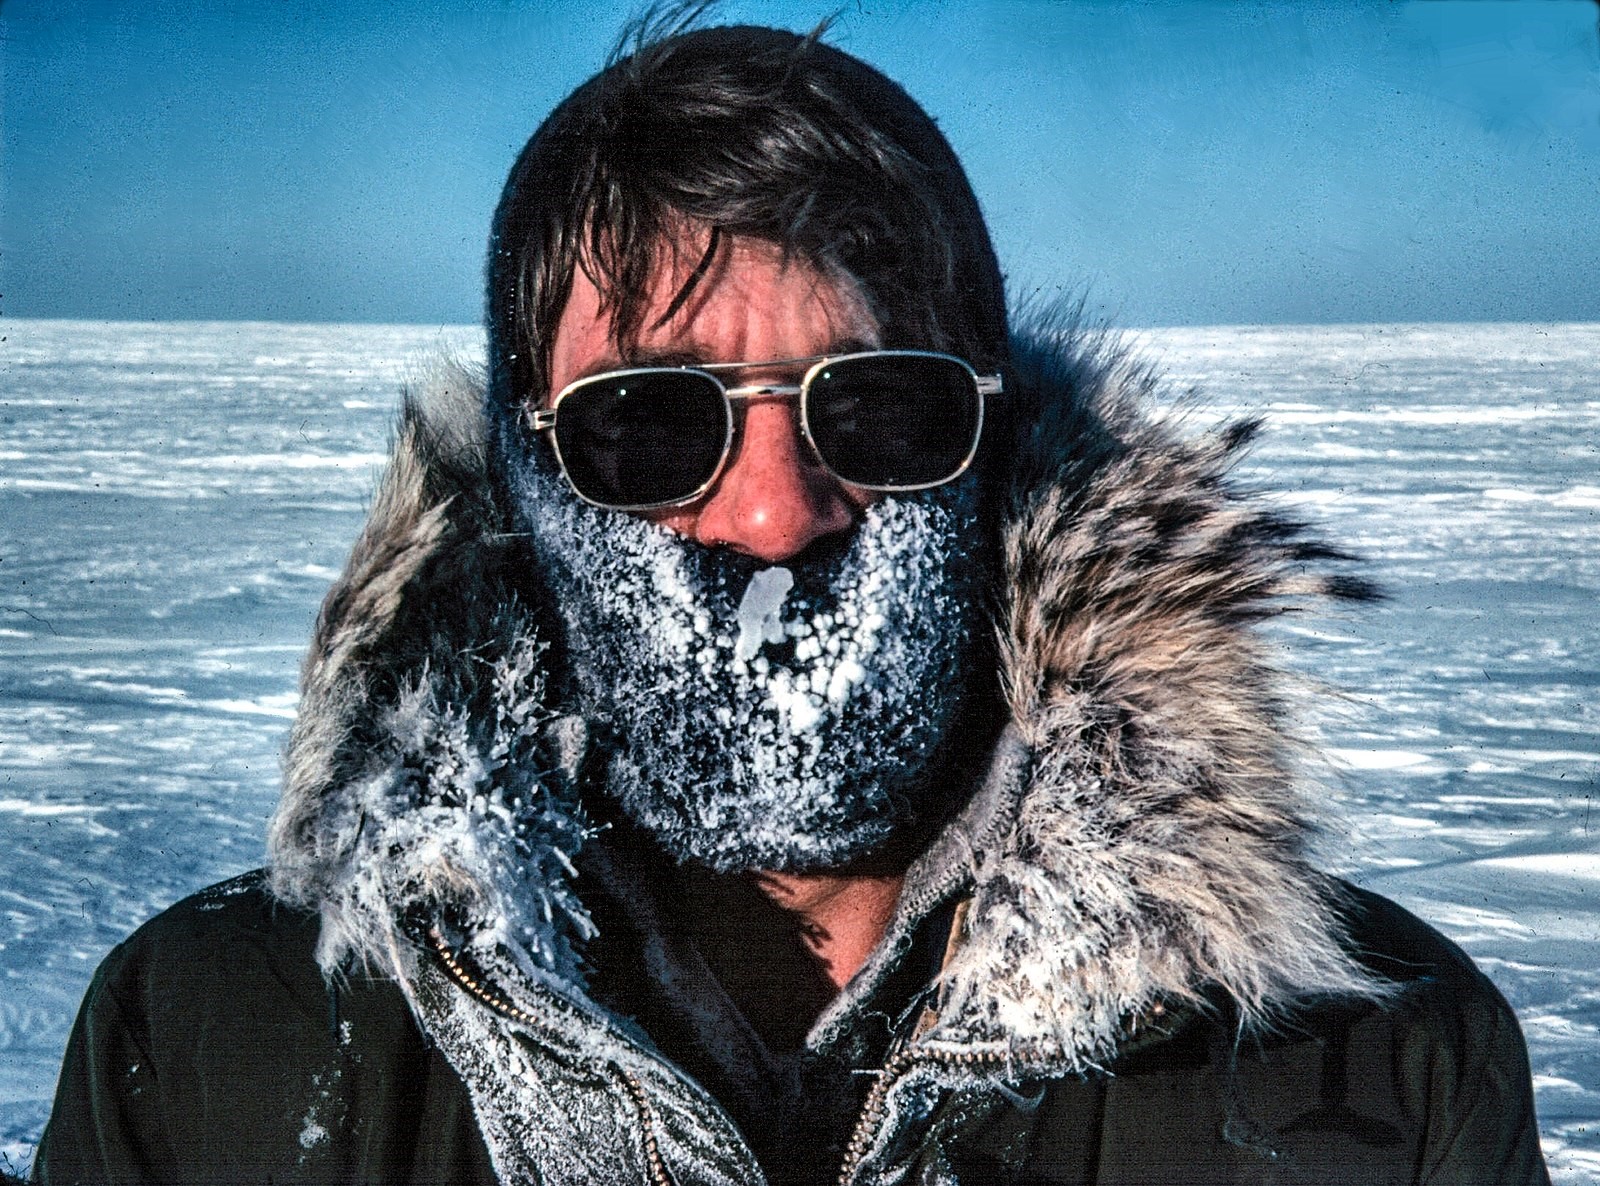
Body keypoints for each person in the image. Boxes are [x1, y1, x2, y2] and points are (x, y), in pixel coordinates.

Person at [34, 19, 1550, 1186]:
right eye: (649, 425)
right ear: (524, 477)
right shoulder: (213, 1049)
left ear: (992, 448)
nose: (772, 513)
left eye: (877, 410)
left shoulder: (1379, 1067)